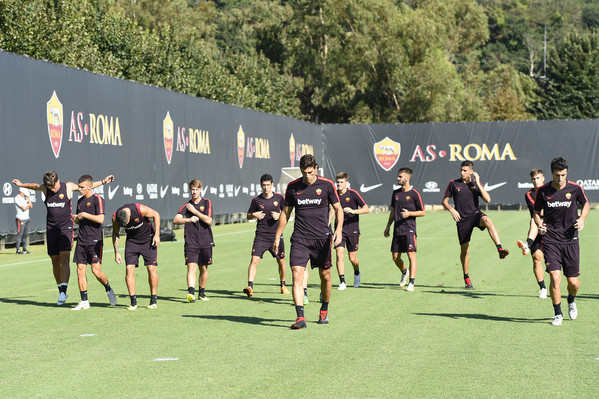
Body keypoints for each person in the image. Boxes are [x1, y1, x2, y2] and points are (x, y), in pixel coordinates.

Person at [12, 171, 114, 305]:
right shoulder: (46, 188)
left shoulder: (68, 187)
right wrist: (22, 184)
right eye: (50, 188)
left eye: (54, 187)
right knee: (55, 260)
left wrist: (103, 182)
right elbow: (35, 186)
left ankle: (64, 291)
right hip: (51, 229)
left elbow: (86, 186)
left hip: (66, 228)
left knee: (65, 257)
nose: (52, 189)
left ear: (58, 181)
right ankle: (61, 289)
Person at [273, 154, 343, 329]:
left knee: (325, 276)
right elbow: (285, 213)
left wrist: (339, 229)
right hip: (300, 239)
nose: (307, 176)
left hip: (322, 240)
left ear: (316, 169)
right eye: (304, 173)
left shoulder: (327, 185)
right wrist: (277, 236)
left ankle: (324, 310)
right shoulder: (293, 187)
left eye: (310, 172)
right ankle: (300, 318)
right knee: (297, 274)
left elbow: (338, 209)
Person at [533, 157, 589, 326]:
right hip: (550, 240)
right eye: (557, 175)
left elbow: (585, 204)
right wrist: (539, 224)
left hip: (571, 240)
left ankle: (571, 300)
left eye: (563, 175)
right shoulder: (543, 191)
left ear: (567, 173)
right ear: (552, 173)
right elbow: (536, 212)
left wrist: (582, 218)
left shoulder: (575, 188)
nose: (560, 179)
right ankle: (558, 314)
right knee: (555, 278)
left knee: (573, 282)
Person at [442, 161, 509, 289]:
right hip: (462, 220)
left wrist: (478, 182)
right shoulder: (453, 184)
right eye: (461, 170)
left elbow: (488, 199)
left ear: (471, 172)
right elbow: (444, 201)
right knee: (465, 250)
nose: (462, 173)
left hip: (475, 215)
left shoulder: (475, 184)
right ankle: (466, 277)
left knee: (488, 220)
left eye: (465, 170)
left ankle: (500, 249)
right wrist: (451, 209)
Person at [71, 175, 117, 310]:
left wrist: (84, 214)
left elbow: (101, 219)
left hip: (95, 240)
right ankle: (84, 301)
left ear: (90, 187)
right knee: (80, 270)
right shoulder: (79, 201)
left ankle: (108, 288)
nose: (79, 189)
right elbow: (80, 220)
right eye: (78, 187)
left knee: (96, 272)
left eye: (82, 187)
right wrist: (76, 219)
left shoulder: (98, 199)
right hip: (81, 239)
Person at [242, 174, 290, 297]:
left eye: (268, 185)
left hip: (276, 236)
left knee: (281, 261)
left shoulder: (279, 198)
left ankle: (283, 285)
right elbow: (248, 215)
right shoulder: (256, 200)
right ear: (261, 185)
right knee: (254, 260)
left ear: (272, 185)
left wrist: (279, 216)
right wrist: (254, 215)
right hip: (261, 236)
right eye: (264, 185)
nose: (266, 187)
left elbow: (287, 214)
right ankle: (250, 286)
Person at [112, 203, 161, 310]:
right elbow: (115, 233)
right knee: (129, 269)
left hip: (148, 239)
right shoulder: (115, 217)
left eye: (127, 223)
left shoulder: (140, 209)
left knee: (151, 269)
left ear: (129, 216)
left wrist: (157, 235)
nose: (126, 226)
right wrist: (116, 252)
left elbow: (156, 214)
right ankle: (133, 302)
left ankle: (153, 300)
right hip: (132, 242)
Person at [383, 167, 425, 292]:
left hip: (409, 230)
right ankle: (404, 272)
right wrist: (388, 226)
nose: (398, 178)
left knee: (411, 255)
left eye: (400, 176)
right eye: (398, 176)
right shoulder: (395, 193)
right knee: (395, 257)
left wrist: (410, 214)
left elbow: (422, 212)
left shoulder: (414, 194)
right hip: (397, 230)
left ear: (407, 178)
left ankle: (411, 283)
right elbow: (392, 212)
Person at [173, 179, 214, 302]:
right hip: (191, 242)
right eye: (192, 189)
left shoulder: (207, 203)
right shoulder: (187, 206)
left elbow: (208, 220)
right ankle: (191, 292)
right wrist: (188, 219)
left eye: (197, 189)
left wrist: (195, 212)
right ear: (190, 190)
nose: (194, 192)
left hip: (205, 241)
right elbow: (176, 220)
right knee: (191, 267)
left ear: (201, 190)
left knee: (203, 268)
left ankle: (201, 292)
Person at [333, 172, 369, 290]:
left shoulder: (353, 194)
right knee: (339, 254)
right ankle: (342, 282)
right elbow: (331, 211)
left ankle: (357, 272)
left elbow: (366, 209)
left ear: (347, 183)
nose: (339, 184)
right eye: (338, 182)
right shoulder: (334, 195)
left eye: (341, 182)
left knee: (352, 258)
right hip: (339, 230)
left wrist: (354, 211)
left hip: (353, 230)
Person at [516, 169, 547, 298]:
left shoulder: (551, 190)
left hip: (552, 228)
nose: (536, 181)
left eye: (538, 178)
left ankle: (527, 244)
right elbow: (539, 212)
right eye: (533, 179)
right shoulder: (529, 194)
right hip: (538, 228)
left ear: (543, 178)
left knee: (552, 264)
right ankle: (543, 288)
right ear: (531, 180)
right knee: (536, 259)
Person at [15, 187, 33, 254]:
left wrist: (28, 198)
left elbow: (31, 205)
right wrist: (28, 205)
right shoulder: (17, 198)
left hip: (27, 218)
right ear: (21, 192)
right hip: (20, 219)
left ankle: (24, 249)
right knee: (20, 234)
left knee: (25, 235)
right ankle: (18, 250)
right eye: (25, 193)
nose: (26, 195)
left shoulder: (25, 198)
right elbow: (24, 208)